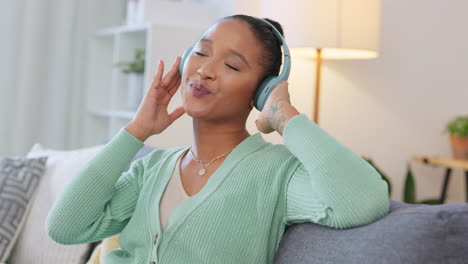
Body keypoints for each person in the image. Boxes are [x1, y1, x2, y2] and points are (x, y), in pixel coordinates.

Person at [46, 14, 390, 264]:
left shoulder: (277, 173)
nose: (205, 70)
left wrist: (285, 115)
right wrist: (136, 131)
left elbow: (362, 202)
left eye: (233, 66)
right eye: (201, 52)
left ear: (261, 90)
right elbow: (65, 227)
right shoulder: (152, 168)